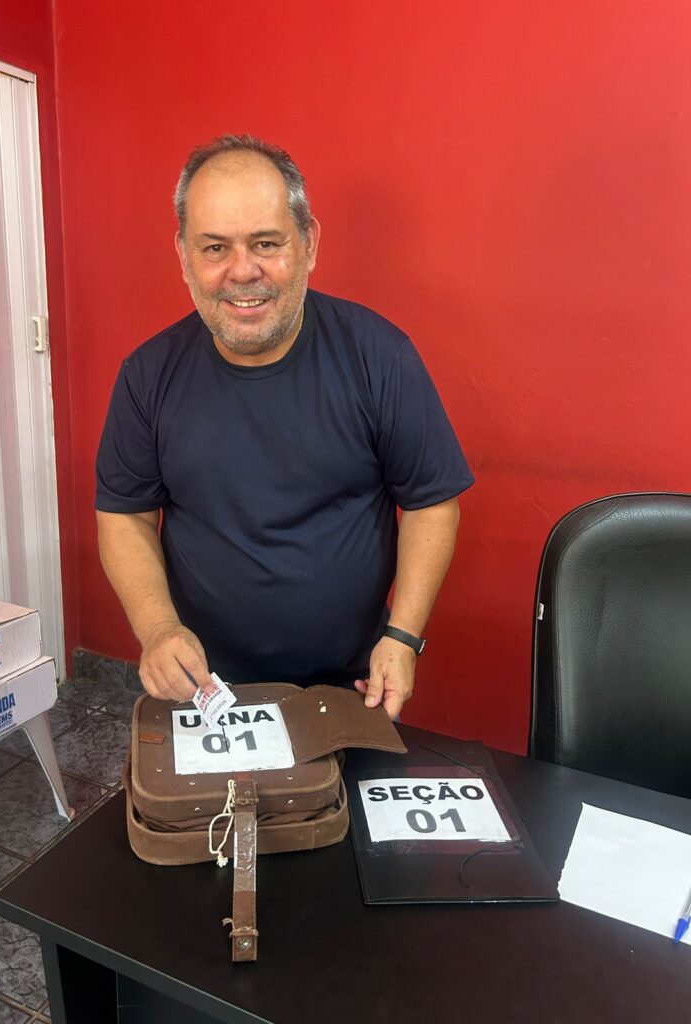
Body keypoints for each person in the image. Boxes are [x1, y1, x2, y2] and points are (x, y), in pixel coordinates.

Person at [96, 134, 473, 718]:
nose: (242, 271)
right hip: (204, 687)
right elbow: (126, 517)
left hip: (351, 687)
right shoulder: (147, 376)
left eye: (266, 243)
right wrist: (157, 628)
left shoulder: (380, 357)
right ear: (184, 255)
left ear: (309, 243)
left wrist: (402, 637)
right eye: (214, 247)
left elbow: (431, 502)